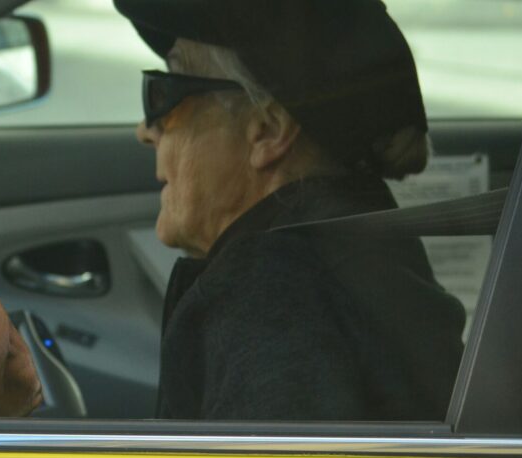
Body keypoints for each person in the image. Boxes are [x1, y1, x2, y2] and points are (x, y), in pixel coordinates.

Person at [113, 0, 465, 420]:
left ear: (268, 130)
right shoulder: (363, 247)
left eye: (164, 94)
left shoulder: (269, 293)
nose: (145, 130)